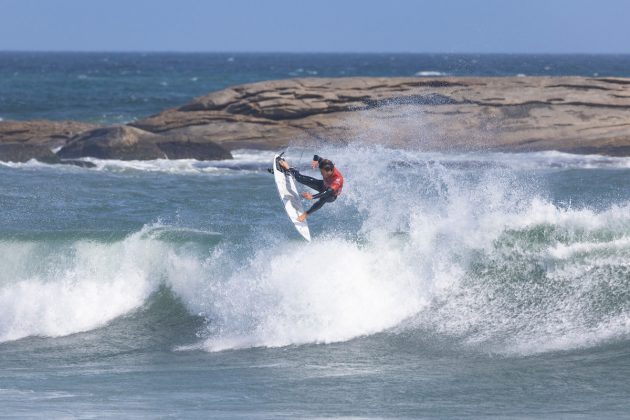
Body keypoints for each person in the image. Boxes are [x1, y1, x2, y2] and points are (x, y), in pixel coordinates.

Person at [278, 154, 343, 222]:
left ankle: (305, 214)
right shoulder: (326, 164)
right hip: (323, 185)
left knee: (324, 198)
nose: (321, 174)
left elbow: (328, 191)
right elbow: (317, 156)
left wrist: (312, 196)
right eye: (321, 172)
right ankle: (289, 169)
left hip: (331, 195)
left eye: (323, 173)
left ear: (330, 171)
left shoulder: (337, 179)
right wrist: (315, 160)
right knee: (300, 178)